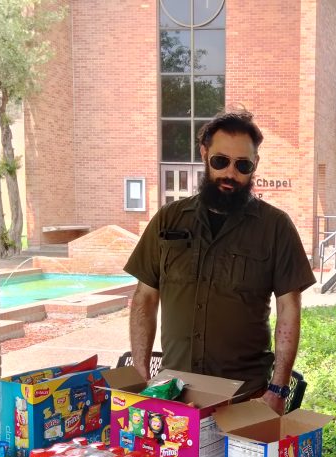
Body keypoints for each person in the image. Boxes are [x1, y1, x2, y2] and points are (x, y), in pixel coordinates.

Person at [124, 110, 316, 414]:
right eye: (220, 161)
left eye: (243, 165)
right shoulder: (168, 219)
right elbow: (144, 298)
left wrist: (278, 388)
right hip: (175, 396)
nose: (230, 174)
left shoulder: (275, 227)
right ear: (204, 154)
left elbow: (289, 309)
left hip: (244, 398)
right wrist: (140, 372)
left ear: (255, 165)